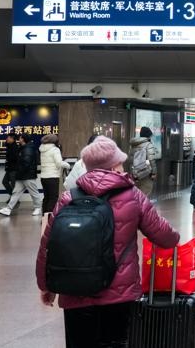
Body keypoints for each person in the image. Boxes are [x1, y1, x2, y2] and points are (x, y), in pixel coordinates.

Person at [36, 136, 179, 347]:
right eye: (120, 162)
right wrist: (175, 236)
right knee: (115, 342)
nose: (122, 166)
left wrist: (46, 286)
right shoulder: (133, 195)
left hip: (75, 290)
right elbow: (165, 237)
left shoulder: (68, 198)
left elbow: (47, 246)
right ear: (113, 166)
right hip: (119, 293)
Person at [0, 133, 44, 216]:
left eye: (20, 138)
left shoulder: (28, 149)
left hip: (28, 175)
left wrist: (19, 172)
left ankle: (38, 208)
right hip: (21, 175)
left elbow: (26, 163)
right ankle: (8, 209)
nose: (19, 139)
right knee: (16, 192)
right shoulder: (23, 148)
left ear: (23, 139)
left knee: (33, 192)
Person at [39, 134, 70, 215]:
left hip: (43, 177)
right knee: (53, 198)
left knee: (46, 198)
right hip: (52, 177)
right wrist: (67, 165)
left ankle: (44, 217)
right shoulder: (55, 150)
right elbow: (59, 163)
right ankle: (49, 218)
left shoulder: (42, 149)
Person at [129, 127, 155, 199]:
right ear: (148, 135)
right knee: (145, 194)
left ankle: (137, 206)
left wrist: (133, 172)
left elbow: (131, 160)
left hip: (135, 174)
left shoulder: (134, 145)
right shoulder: (148, 145)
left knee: (137, 194)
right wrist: (154, 172)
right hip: (146, 173)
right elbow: (151, 160)